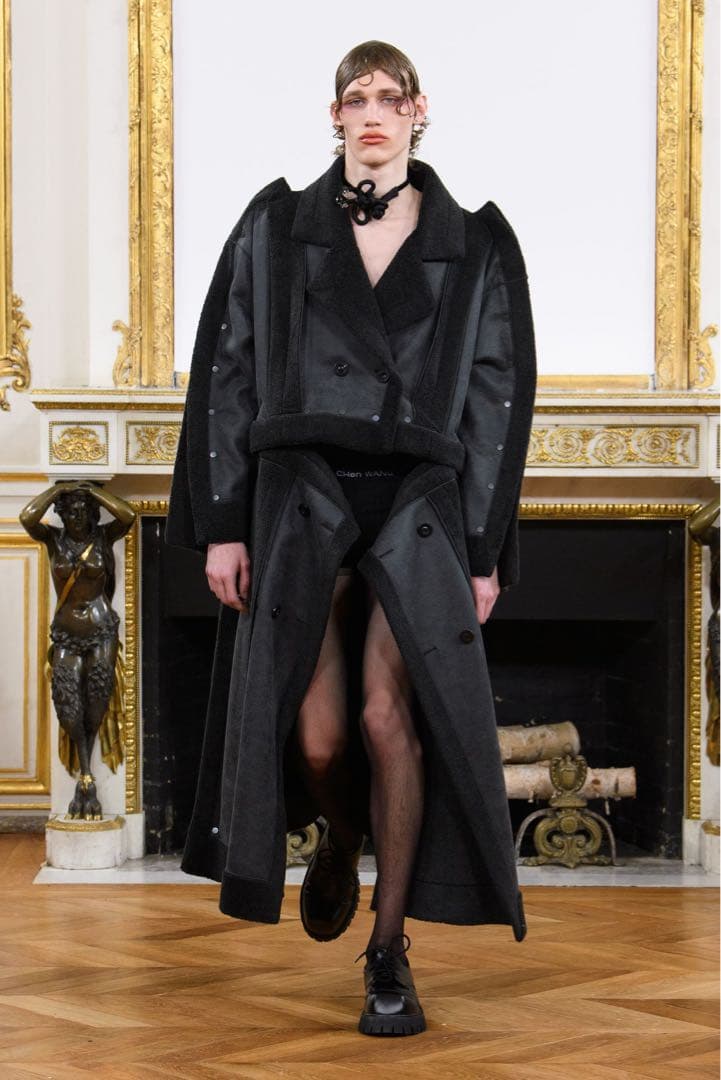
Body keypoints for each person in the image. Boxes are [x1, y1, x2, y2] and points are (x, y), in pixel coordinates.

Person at [166, 39, 536, 1038]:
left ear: (418, 110)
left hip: (418, 501)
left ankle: (388, 950)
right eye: (355, 98)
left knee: (384, 718)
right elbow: (227, 371)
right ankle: (340, 834)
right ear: (334, 116)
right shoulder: (276, 227)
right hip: (301, 495)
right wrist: (222, 526)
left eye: (389, 98)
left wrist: (483, 549)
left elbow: (497, 401)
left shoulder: (473, 242)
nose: (372, 113)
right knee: (321, 736)